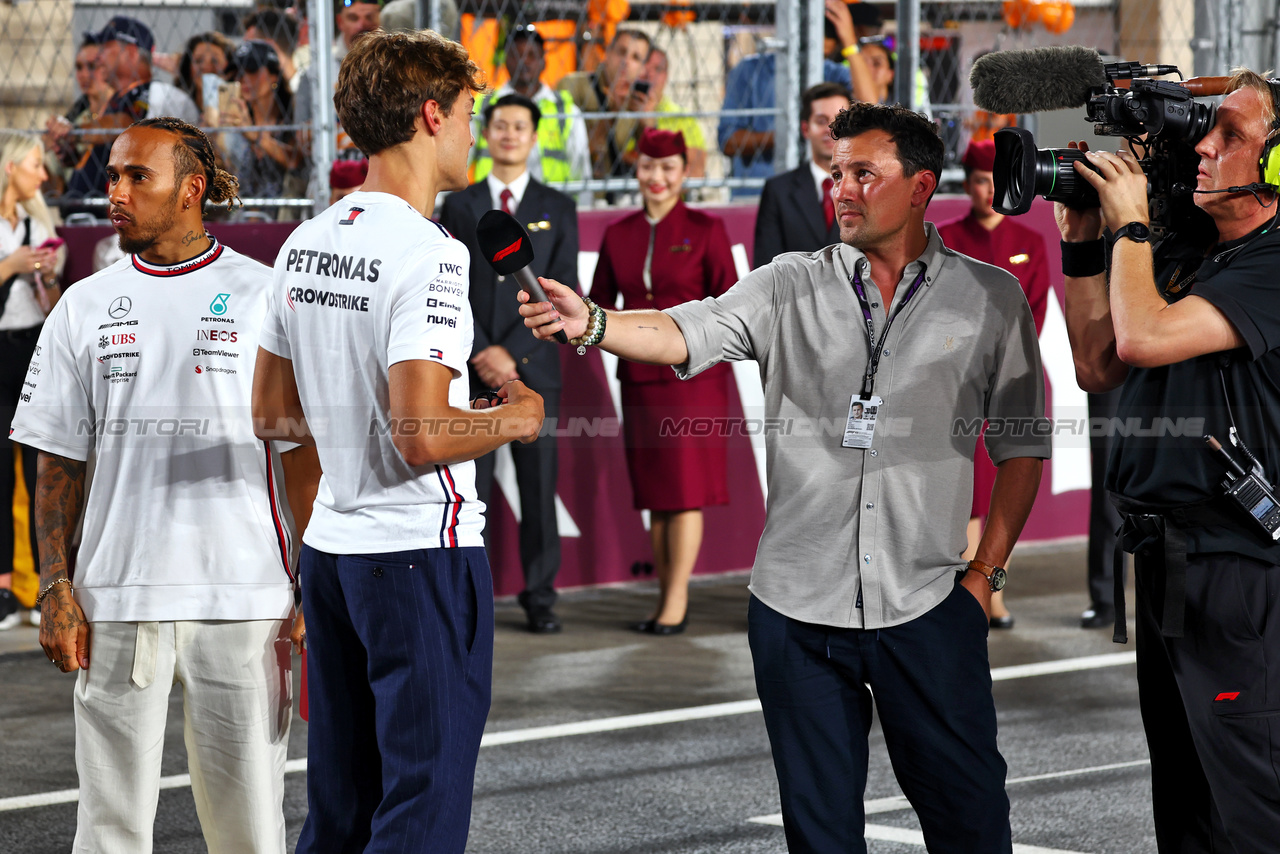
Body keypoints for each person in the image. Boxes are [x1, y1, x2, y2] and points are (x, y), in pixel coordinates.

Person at [521, 102, 1049, 850]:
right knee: (820, 837)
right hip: (796, 614)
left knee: (971, 827)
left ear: (923, 186)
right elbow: (686, 327)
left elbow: (1025, 446)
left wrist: (983, 578)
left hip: (930, 607)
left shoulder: (991, 296)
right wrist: (597, 324)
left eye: (866, 173)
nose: (843, 190)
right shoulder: (785, 284)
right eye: (838, 174)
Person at [251, 30, 543, 853]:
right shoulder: (431, 254)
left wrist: (319, 529)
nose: (473, 132)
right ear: (429, 114)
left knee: (340, 807)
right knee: (423, 802)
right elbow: (420, 437)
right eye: (468, 113)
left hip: (336, 555)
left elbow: (272, 416)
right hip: (420, 553)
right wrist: (511, 419)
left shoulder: (305, 240)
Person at [11, 116, 314, 854]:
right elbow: (55, 460)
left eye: (134, 177)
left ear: (191, 189)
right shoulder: (82, 305)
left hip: (246, 601)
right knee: (109, 831)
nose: (114, 192)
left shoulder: (265, 295)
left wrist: (314, 583)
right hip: (114, 601)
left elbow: (305, 452)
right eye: (111, 176)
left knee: (250, 832)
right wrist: (56, 587)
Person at [1058, 69, 1280, 851]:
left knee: (1251, 804)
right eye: (1205, 130)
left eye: (1230, 136)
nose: (1205, 149)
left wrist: (1129, 225)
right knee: (1184, 802)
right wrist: (1086, 239)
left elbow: (1142, 336)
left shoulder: (1275, 260)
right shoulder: (1191, 244)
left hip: (1241, 566)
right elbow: (1097, 363)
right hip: (1167, 556)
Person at [587, 128, 737, 634]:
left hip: (693, 381)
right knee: (656, 494)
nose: (657, 178)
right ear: (636, 170)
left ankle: (675, 601)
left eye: (668, 167)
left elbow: (729, 307)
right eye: (648, 167)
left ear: (684, 171)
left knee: (684, 493)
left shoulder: (708, 228)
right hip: (638, 380)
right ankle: (665, 597)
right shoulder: (619, 233)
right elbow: (597, 304)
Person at [441, 92, 580, 634]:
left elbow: (562, 294)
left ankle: (540, 596)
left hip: (536, 368)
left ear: (533, 135)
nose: (508, 134)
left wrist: (514, 355)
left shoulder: (558, 208)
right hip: (473, 369)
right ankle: (472, 592)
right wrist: (483, 350)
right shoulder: (459, 203)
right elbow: (452, 288)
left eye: (520, 126)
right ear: (487, 132)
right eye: (499, 124)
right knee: (471, 489)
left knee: (538, 486)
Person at [939, 139, 1050, 630]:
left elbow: (1036, 313)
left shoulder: (1033, 239)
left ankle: (991, 587)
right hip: (953, 382)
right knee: (964, 487)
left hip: (1010, 380)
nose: (989, 191)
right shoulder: (941, 237)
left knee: (1005, 484)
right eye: (981, 179)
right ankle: (958, 590)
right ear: (966, 182)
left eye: (997, 180)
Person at [0, 134, 64, 630]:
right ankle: (4, 587)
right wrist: (11, 266)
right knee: (2, 475)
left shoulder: (39, 221)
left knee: (41, 464)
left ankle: (48, 584)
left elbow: (54, 301)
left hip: (31, 345)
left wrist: (44, 276)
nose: (42, 175)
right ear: (9, 167)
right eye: (35, 164)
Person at [718, 0, 878, 196]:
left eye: (826, 51)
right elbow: (728, 141)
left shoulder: (831, 72)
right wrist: (790, 136)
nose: (818, 55)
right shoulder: (750, 70)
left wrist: (850, 43)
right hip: (758, 192)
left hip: (823, 195)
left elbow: (871, 109)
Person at [50, 17, 199, 203]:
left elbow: (127, 125)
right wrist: (72, 153)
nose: (98, 57)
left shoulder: (155, 92)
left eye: (104, 48)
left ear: (130, 53)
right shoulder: (118, 97)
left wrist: (75, 133)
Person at [470, 26, 590, 186]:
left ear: (544, 62)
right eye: (516, 55)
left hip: (551, 206)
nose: (524, 61)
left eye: (531, 55)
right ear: (505, 60)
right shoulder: (484, 104)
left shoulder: (566, 110)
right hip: (494, 204)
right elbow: (463, 157)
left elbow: (581, 170)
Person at [753, 82, 852, 268]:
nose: (831, 130)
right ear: (806, 129)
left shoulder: (869, 188)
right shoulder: (778, 192)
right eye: (821, 121)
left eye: (840, 121)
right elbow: (765, 271)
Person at [558, 28, 651, 181]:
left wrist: (645, 119)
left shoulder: (636, 100)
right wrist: (613, 111)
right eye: (621, 52)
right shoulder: (573, 86)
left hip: (612, 194)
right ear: (607, 53)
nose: (625, 62)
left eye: (635, 58)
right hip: (572, 183)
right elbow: (569, 149)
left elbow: (652, 156)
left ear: (642, 68)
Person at [220, 40, 302, 206]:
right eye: (239, 72)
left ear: (274, 75)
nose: (243, 79)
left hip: (284, 213)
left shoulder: (292, 118)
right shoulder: (234, 122)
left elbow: (295, 161)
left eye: (252, 70)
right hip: (240, 211)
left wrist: (256, 136)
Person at [621, 46, 707, 178]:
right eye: (644, 65)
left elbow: (695, 172)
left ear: (666, 75)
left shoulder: (683, 118)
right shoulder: (618, 110)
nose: (649, 74)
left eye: (658, 69)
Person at [44, 36, 113, 196]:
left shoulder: (123, 112)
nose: (84, 74)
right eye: (79, 67)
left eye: (92, 66)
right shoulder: (76, 117)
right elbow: (56, 183)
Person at [174, 32, 234, 113]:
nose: (206, 67)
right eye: (199, 61)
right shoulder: (176, 106)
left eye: (214, 61)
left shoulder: (238, 107)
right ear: (188, 67)